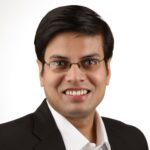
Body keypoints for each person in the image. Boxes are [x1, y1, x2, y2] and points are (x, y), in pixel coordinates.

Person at [0, 5, 148, 150]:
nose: (75, 77)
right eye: (59, 63)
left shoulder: (133, 140)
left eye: (90, 62)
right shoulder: (5, 142)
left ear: (108, 70)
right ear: (41, 72)